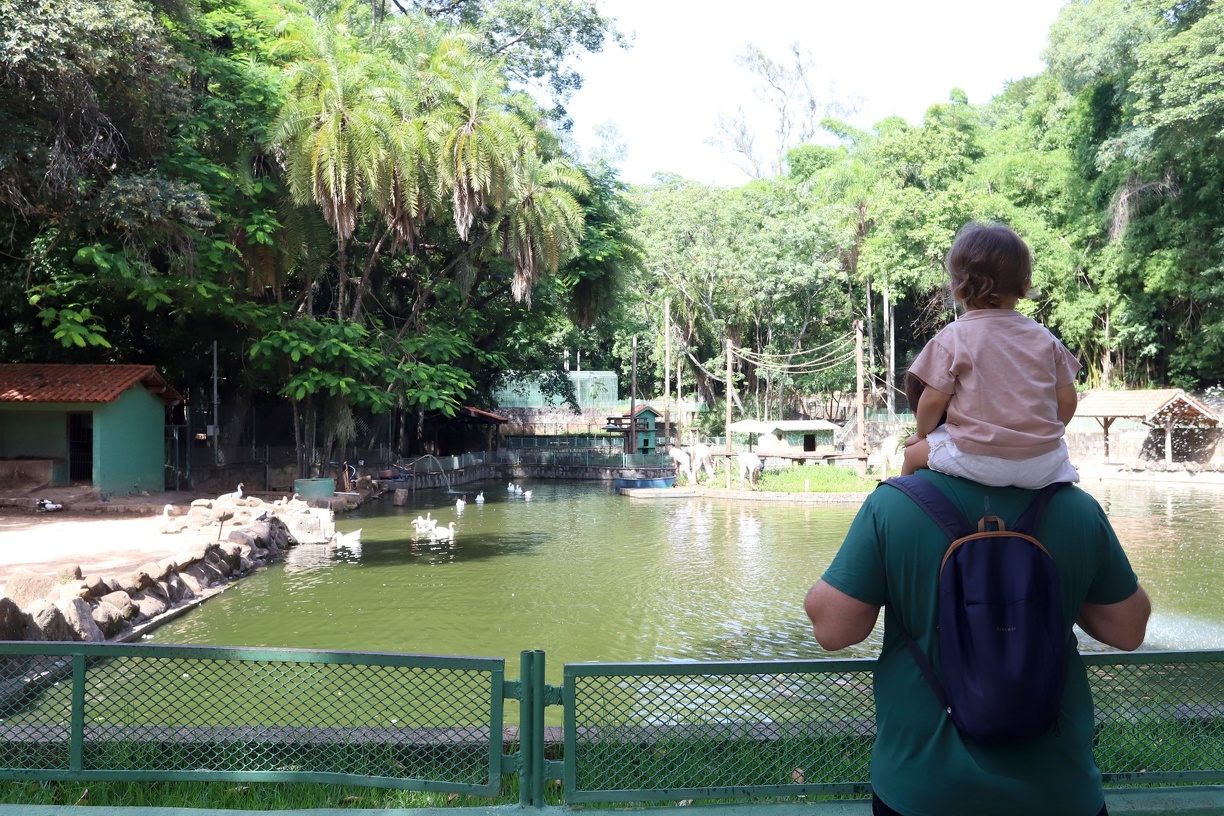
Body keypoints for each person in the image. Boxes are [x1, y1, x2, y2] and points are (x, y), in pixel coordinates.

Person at [805, 471, 1151, 816]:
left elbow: (834, 631)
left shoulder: (893, 505)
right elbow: (1127, 630)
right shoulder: (1077, 507)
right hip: (1059, 789)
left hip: (924, 787)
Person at [901, 222, 1081, 488]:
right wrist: (1040, 436)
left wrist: (921, 435)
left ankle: (904, 502)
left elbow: (932, 401)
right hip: (1044, 463)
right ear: (1025, 285)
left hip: (975, 458)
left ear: (956, 288)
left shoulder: (954, 337)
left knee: (911, 456)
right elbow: (1067, 402)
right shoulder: (1045, 338)